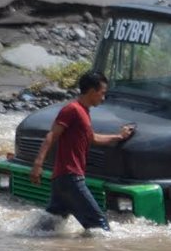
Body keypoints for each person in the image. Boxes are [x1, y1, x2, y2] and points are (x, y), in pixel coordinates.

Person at [30, 70, 135, 231]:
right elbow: (52, 135)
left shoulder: (84, 112)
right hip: (70, 178)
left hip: (62, 180)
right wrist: (38, 164)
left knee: (48, 229)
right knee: (99, 226)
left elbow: (92, 139)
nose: (103, 97)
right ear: (92, 92)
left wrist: (119, 137)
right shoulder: (72, 109)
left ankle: (25, 246)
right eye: (102, 93)